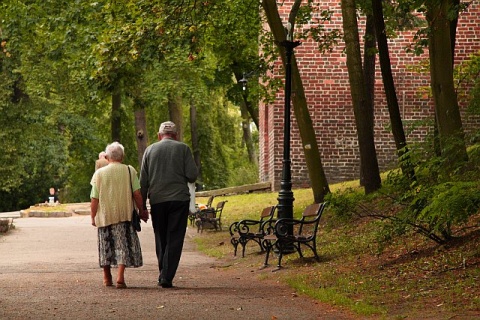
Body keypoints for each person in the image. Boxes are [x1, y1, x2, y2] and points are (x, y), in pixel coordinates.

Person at [140, 121, 198, 288]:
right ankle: (166, 276)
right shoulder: (183, 149)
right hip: (179, 200)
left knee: (161, 237)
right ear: (176, 135)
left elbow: (143, 182)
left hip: (157, 200)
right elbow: (192, 175)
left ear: (159, 136)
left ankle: (163, 273)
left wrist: (142, 207)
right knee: (175, 238)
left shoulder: (149, 150)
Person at [90, 142, 148, 289]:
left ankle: (106, 277)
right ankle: (120, 277)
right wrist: (142, 210)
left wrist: (93, 216)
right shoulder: (130, 170)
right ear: (122, 157)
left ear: (107, 157)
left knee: (106, 245)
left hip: (105, 215)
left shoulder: (99, 174)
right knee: (122, 246)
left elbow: (94, 198)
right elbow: (137, 194)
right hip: (124, 215)